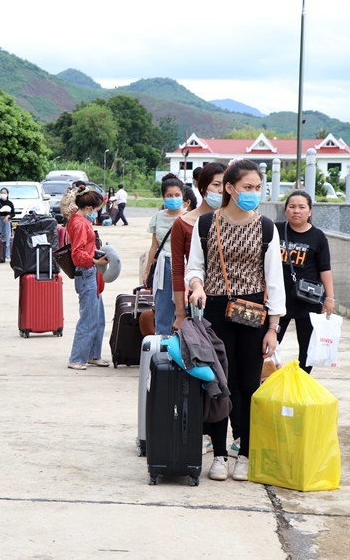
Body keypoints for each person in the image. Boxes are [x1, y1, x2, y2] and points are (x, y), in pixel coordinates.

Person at [186, 159, 285, 482]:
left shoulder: (267, 227)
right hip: (214, 310)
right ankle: (218, 454)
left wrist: (273, 327)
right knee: (218, 383)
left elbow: (274, 281)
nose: (253, 193)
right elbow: (195, 267)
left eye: (257, 188)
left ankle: (244, 452)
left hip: (253, 312)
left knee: (248, 384)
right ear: (229, 188)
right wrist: (197, 285)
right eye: (247, 188)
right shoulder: (205, 225)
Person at [277, 190, 335, 373]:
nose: (296, 211)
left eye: (302, 207)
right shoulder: (276, 230)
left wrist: (330, 298)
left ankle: (302, 386)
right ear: (285, 210)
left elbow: (325, 269)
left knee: (307, 350)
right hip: (279, 299)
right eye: (292, 206)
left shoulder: (318, 237)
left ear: (309, 212)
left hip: (308, 300)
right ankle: (266, 383)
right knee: (269, 344)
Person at [172, 163, 226, 332]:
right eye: (216, 185)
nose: (221, 190)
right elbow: (178, 269)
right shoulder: (183, 223)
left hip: (233, 299)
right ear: (203, 188)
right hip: (199, 300)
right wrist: (180, 313)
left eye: (225, 185)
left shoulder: (237, 222)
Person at [66, 189, 109, 370]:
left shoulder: (77, 219)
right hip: (87, 271)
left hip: (90, 273)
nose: (97, 213)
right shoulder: (81, 224)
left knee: (98, 318)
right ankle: (76, 358)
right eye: (96, 209)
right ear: (90, 208)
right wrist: (95, 260)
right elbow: (78, 253)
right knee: (89, 318)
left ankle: (93, 354)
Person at [143, 174, 186, 335]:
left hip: (184, 265)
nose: (173, 198)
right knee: (163, 307)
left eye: (177, 195)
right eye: (169, 195)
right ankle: (162, 346)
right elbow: (154, 246)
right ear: (163, 197)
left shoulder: (190, 217)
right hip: (163, 266)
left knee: (185, 307)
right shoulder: (158, 217)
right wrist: (147, 271)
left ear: (183, 196)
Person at [0, 187, 15, 260]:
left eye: (4, 193)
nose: (3, 194)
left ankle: (7, 256)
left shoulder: (10, 203)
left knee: (7, 238)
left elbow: (13, 214)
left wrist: (8, 216)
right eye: (2, 193)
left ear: (7, 194)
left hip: (7, 220)